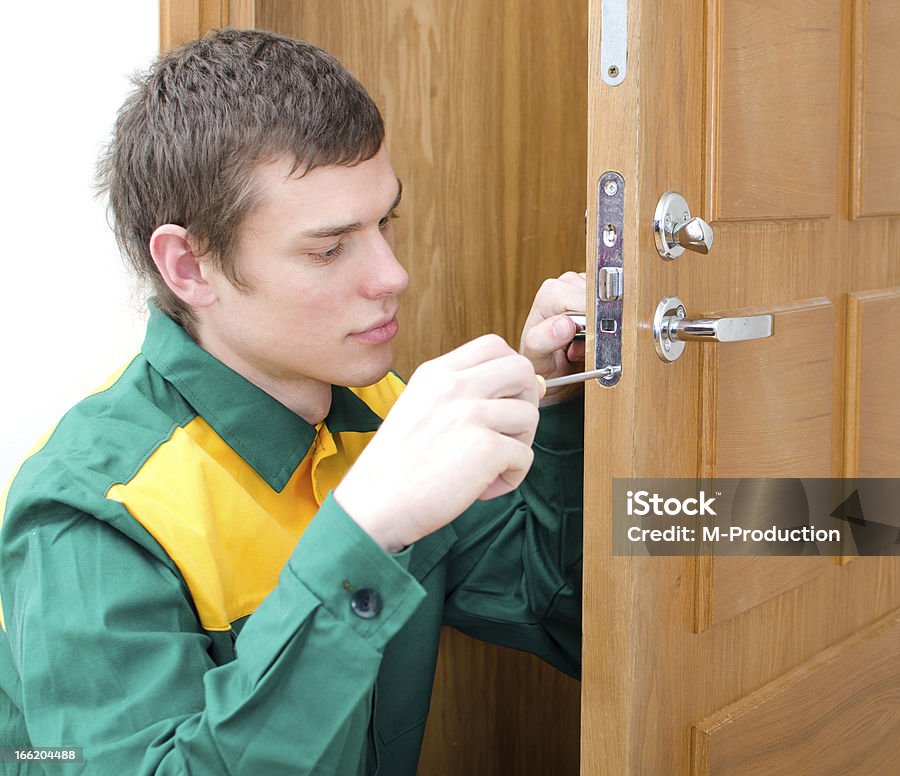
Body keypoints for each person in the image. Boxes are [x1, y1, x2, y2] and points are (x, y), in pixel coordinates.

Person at [0, 28, 585, 774]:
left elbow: (560, 615)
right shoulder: (91, 515)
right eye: (328, 248)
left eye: (385, 223)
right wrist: (363, 535)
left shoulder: (377, 408)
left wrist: (560, 402)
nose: (393, 275)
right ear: (189, 265)